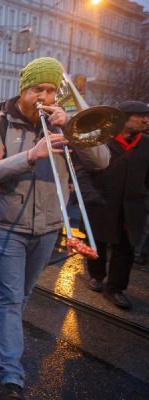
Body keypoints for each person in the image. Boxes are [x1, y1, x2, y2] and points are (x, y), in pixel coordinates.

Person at [0, 57, 110, 399]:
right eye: (39, 89)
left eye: (51, 90)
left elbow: (102, 161)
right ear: (24, 90)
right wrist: (30, 156)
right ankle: (11, 372)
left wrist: (73, 127)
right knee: (9, 299)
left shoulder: (65, 123)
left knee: (22, 295)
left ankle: (6, 341)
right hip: (8, 225)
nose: (46, 97)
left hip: (49, 225)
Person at [82, 101, 149, 309]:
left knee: (126, 247)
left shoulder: (146, 144)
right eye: (140, 116)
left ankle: (116, 288)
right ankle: (96, 275)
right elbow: (83, 169)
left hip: (133, 206)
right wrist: (89, 194)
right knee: (97, 242)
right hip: (102, 202)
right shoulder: (102, 140)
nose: (145, 120)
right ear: (124, 118)